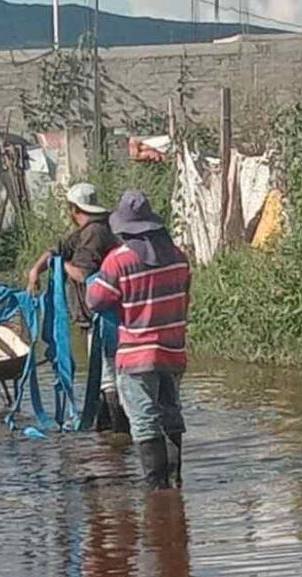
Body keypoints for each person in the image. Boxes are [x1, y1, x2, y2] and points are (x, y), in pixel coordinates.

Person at [87, 191, 191, 489]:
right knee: (171, 414)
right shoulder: (178, 257)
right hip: (173, 350)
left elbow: (96, 300)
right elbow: (185, 296)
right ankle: (175, 481)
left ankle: (156, 488)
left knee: (145, 419)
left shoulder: (119, 261)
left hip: (137, 354)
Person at [26, 182, 129, 434]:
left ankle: (120, 435)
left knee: (107, 376)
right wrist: (35, 270)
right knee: (106, 375)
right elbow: (56, 249)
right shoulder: (91, 230)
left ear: (74, 209)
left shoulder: (94, 233)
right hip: (103, 315)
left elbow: (82, 273)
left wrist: (60, 266)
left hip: (105, 317)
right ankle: (106, 434)